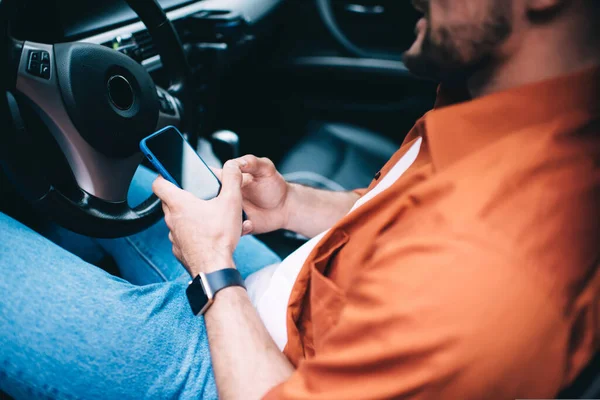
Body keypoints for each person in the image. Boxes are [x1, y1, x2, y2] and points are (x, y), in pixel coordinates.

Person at [1, 0, 600, 398]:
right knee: (117, 152)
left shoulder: (499, 276)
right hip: (283, 292)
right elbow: (399, 213)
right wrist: (293, 207)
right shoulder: (502, 109)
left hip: (237, 373)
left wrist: (213, 271)